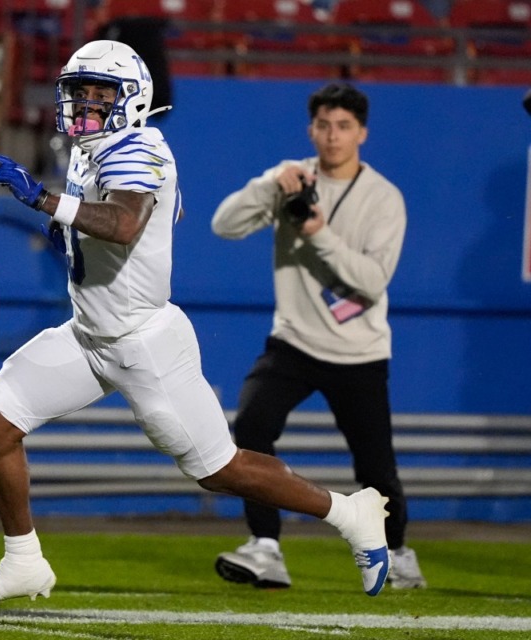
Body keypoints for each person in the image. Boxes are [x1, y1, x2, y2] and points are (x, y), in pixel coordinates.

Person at [0, 40, 392, 612]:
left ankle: (349, 513)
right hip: (88, 334)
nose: (84, 102)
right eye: (78, 90)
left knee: (221, 471)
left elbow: (125, 223)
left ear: (131, 99)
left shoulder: (140, 147)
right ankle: (23, 561)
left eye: (99, 93)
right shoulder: (92, 146)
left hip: (142, 341)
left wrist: (45, 201)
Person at [210, 82, 426, 590]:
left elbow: (373, 280)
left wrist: (316, 232)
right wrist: (268, 186)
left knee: (376, 468)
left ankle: (396, 553)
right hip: (293, 343)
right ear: (311, 130)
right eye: (324, 126)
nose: (333, 137)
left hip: (360, 351)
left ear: (363, 134)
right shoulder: (291, 181)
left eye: (344, 127)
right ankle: (265, 548)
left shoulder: (384, 198)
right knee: (253, 428)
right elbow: (224, 225)